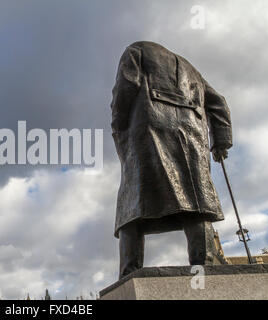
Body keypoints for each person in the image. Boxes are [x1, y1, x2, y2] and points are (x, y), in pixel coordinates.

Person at [111, 41, 232, 278]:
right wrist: (221, 142)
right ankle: (204, 265)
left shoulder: (136, 50)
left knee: (132, 201)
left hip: (148, 129)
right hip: (192, 135)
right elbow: (219, 103)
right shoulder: (192, 70)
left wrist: (119, 127)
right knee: (196, 200)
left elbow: (124, 90)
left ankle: (129, 272)